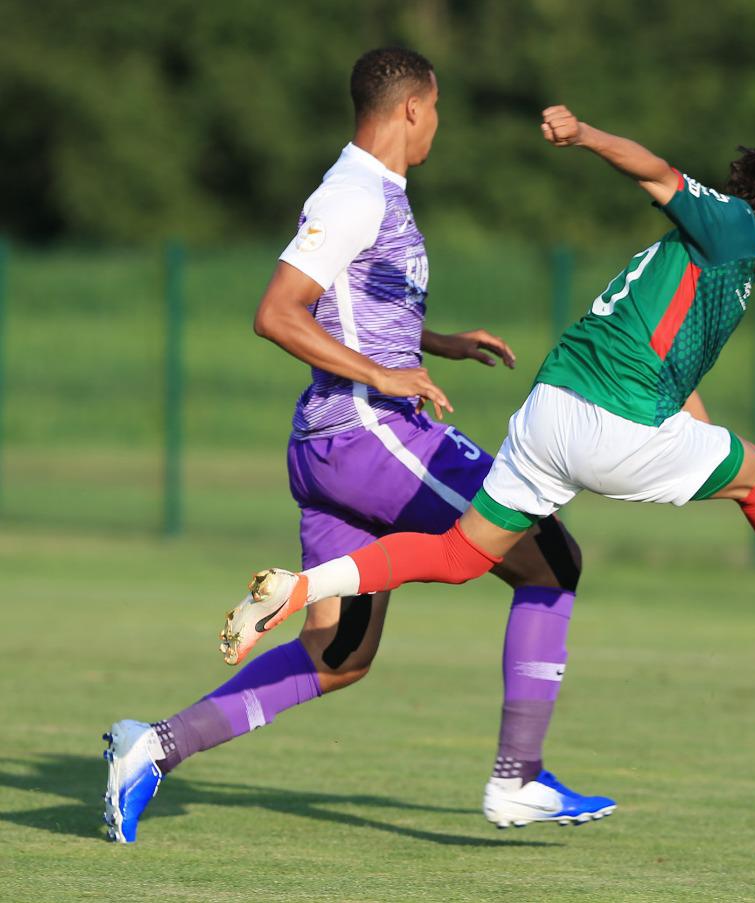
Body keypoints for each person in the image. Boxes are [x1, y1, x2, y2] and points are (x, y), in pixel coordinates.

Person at [220, 103, 755, 783]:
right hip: (607, 421)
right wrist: (585, 136)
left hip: (550, 412)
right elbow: (657, 173)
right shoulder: (734, 228)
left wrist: (749, 487)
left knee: (459, 554)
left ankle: (302, 587)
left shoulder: (699, 273)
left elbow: (673, 387)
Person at [101, 49, 613, 845]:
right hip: (370, 436)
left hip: (333, 445)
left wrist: (434, 344)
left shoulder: (373, 193)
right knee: (552, 558)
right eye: (436, 109)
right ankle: (520, 777)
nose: (438, 124)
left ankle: (153, 748)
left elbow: (351, 304)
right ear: (413, 108)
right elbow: (278, 311)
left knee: (340, 654)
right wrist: (386, 374)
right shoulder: (352, 193)